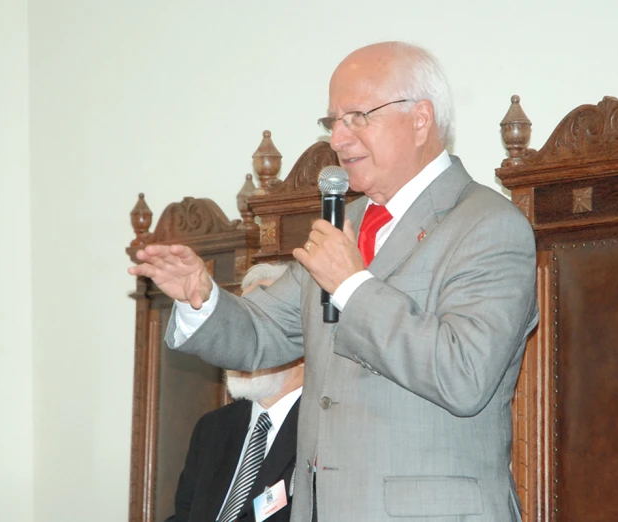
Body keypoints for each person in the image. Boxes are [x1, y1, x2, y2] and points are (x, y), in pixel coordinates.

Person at [131, 41, 538, 522]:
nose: (338, 139)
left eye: (356, 117)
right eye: (333, 122)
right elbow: (260, 334)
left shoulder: (488, 224)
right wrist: (202, 297)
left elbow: (463, 374)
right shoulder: (347, 223)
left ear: (420, 118)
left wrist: (352, 287)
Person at [165, 263, 303, 522]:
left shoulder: (325, 429)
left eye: (254, 332)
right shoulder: (213, 428)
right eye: (236, 332)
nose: (237, 348)